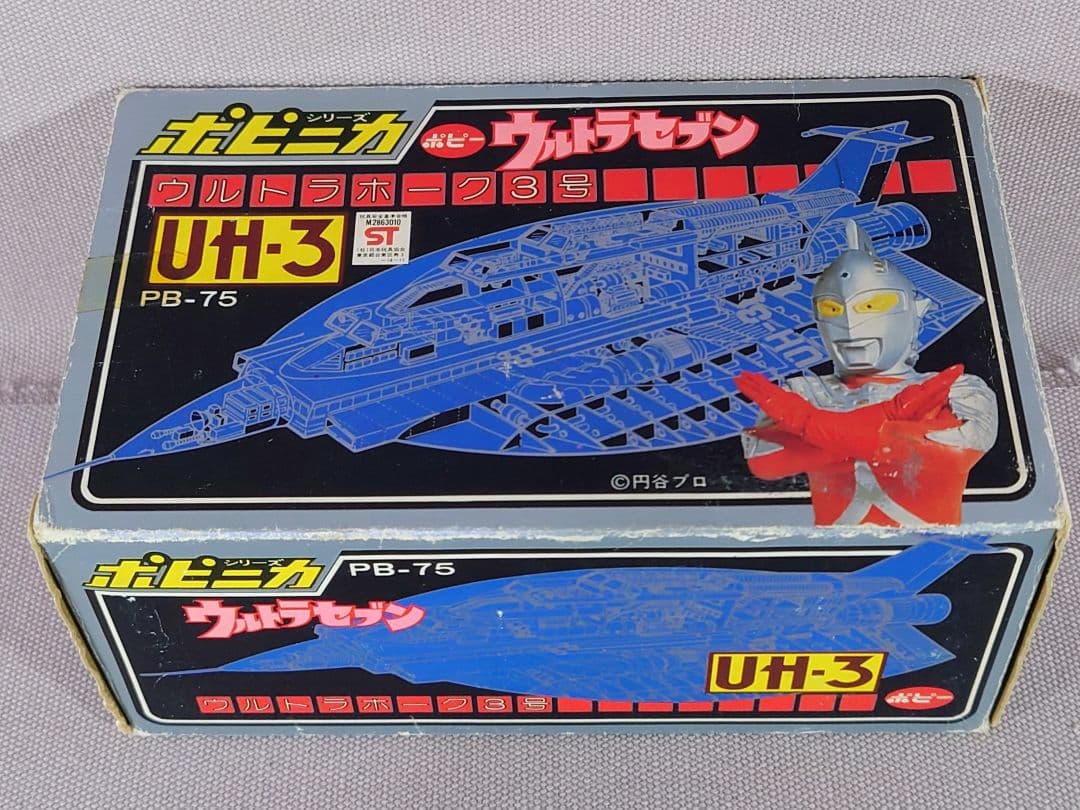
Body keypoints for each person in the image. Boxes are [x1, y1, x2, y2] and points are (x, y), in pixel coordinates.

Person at [736, 221, 997, 526]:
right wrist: (891, 424)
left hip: (930, 545)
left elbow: (951, 453)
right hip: (837, 548)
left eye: (872, 305)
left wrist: (809, 423)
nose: (849, 322)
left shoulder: (956, 388)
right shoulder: (800, 391)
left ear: (916, 310)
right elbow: (766, 461)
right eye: (832, 309)